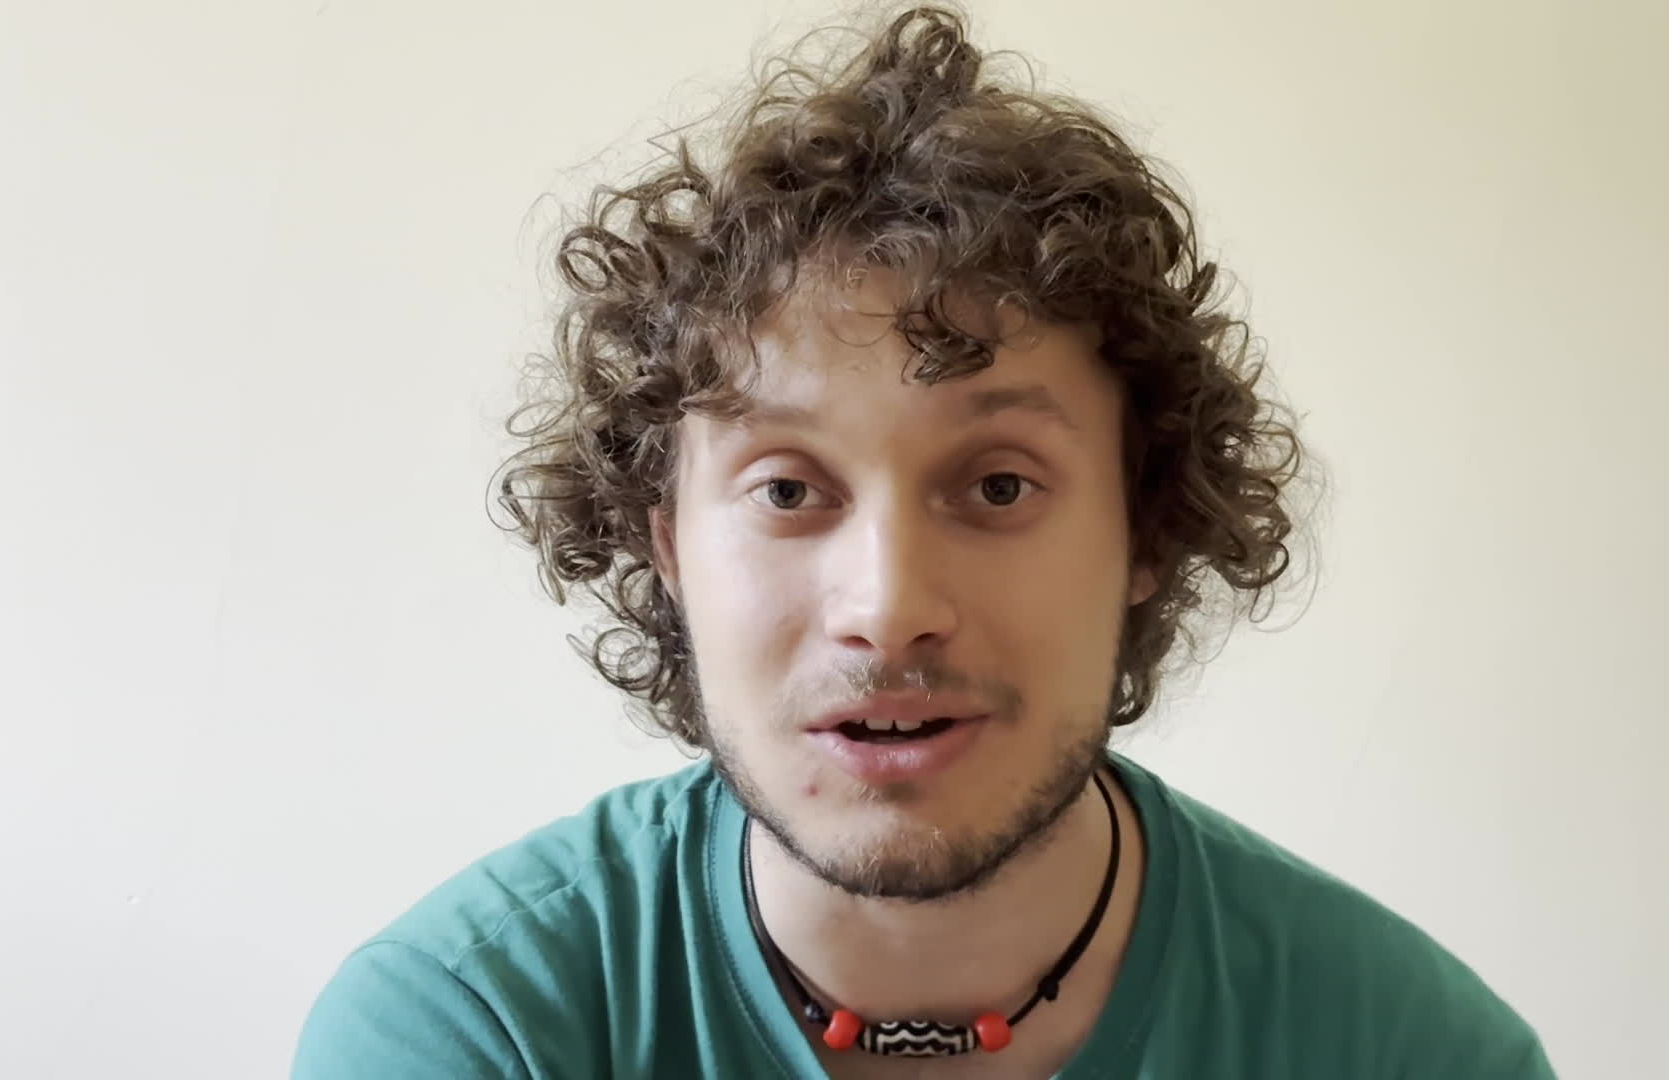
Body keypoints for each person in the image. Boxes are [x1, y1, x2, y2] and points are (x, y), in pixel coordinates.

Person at [292, 6, 1553, 1077]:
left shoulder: (1412, 1051)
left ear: (1150, 529)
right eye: (787, 490)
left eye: (998, 486)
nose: (888, 607)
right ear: (666, 547)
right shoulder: (478, 1029)